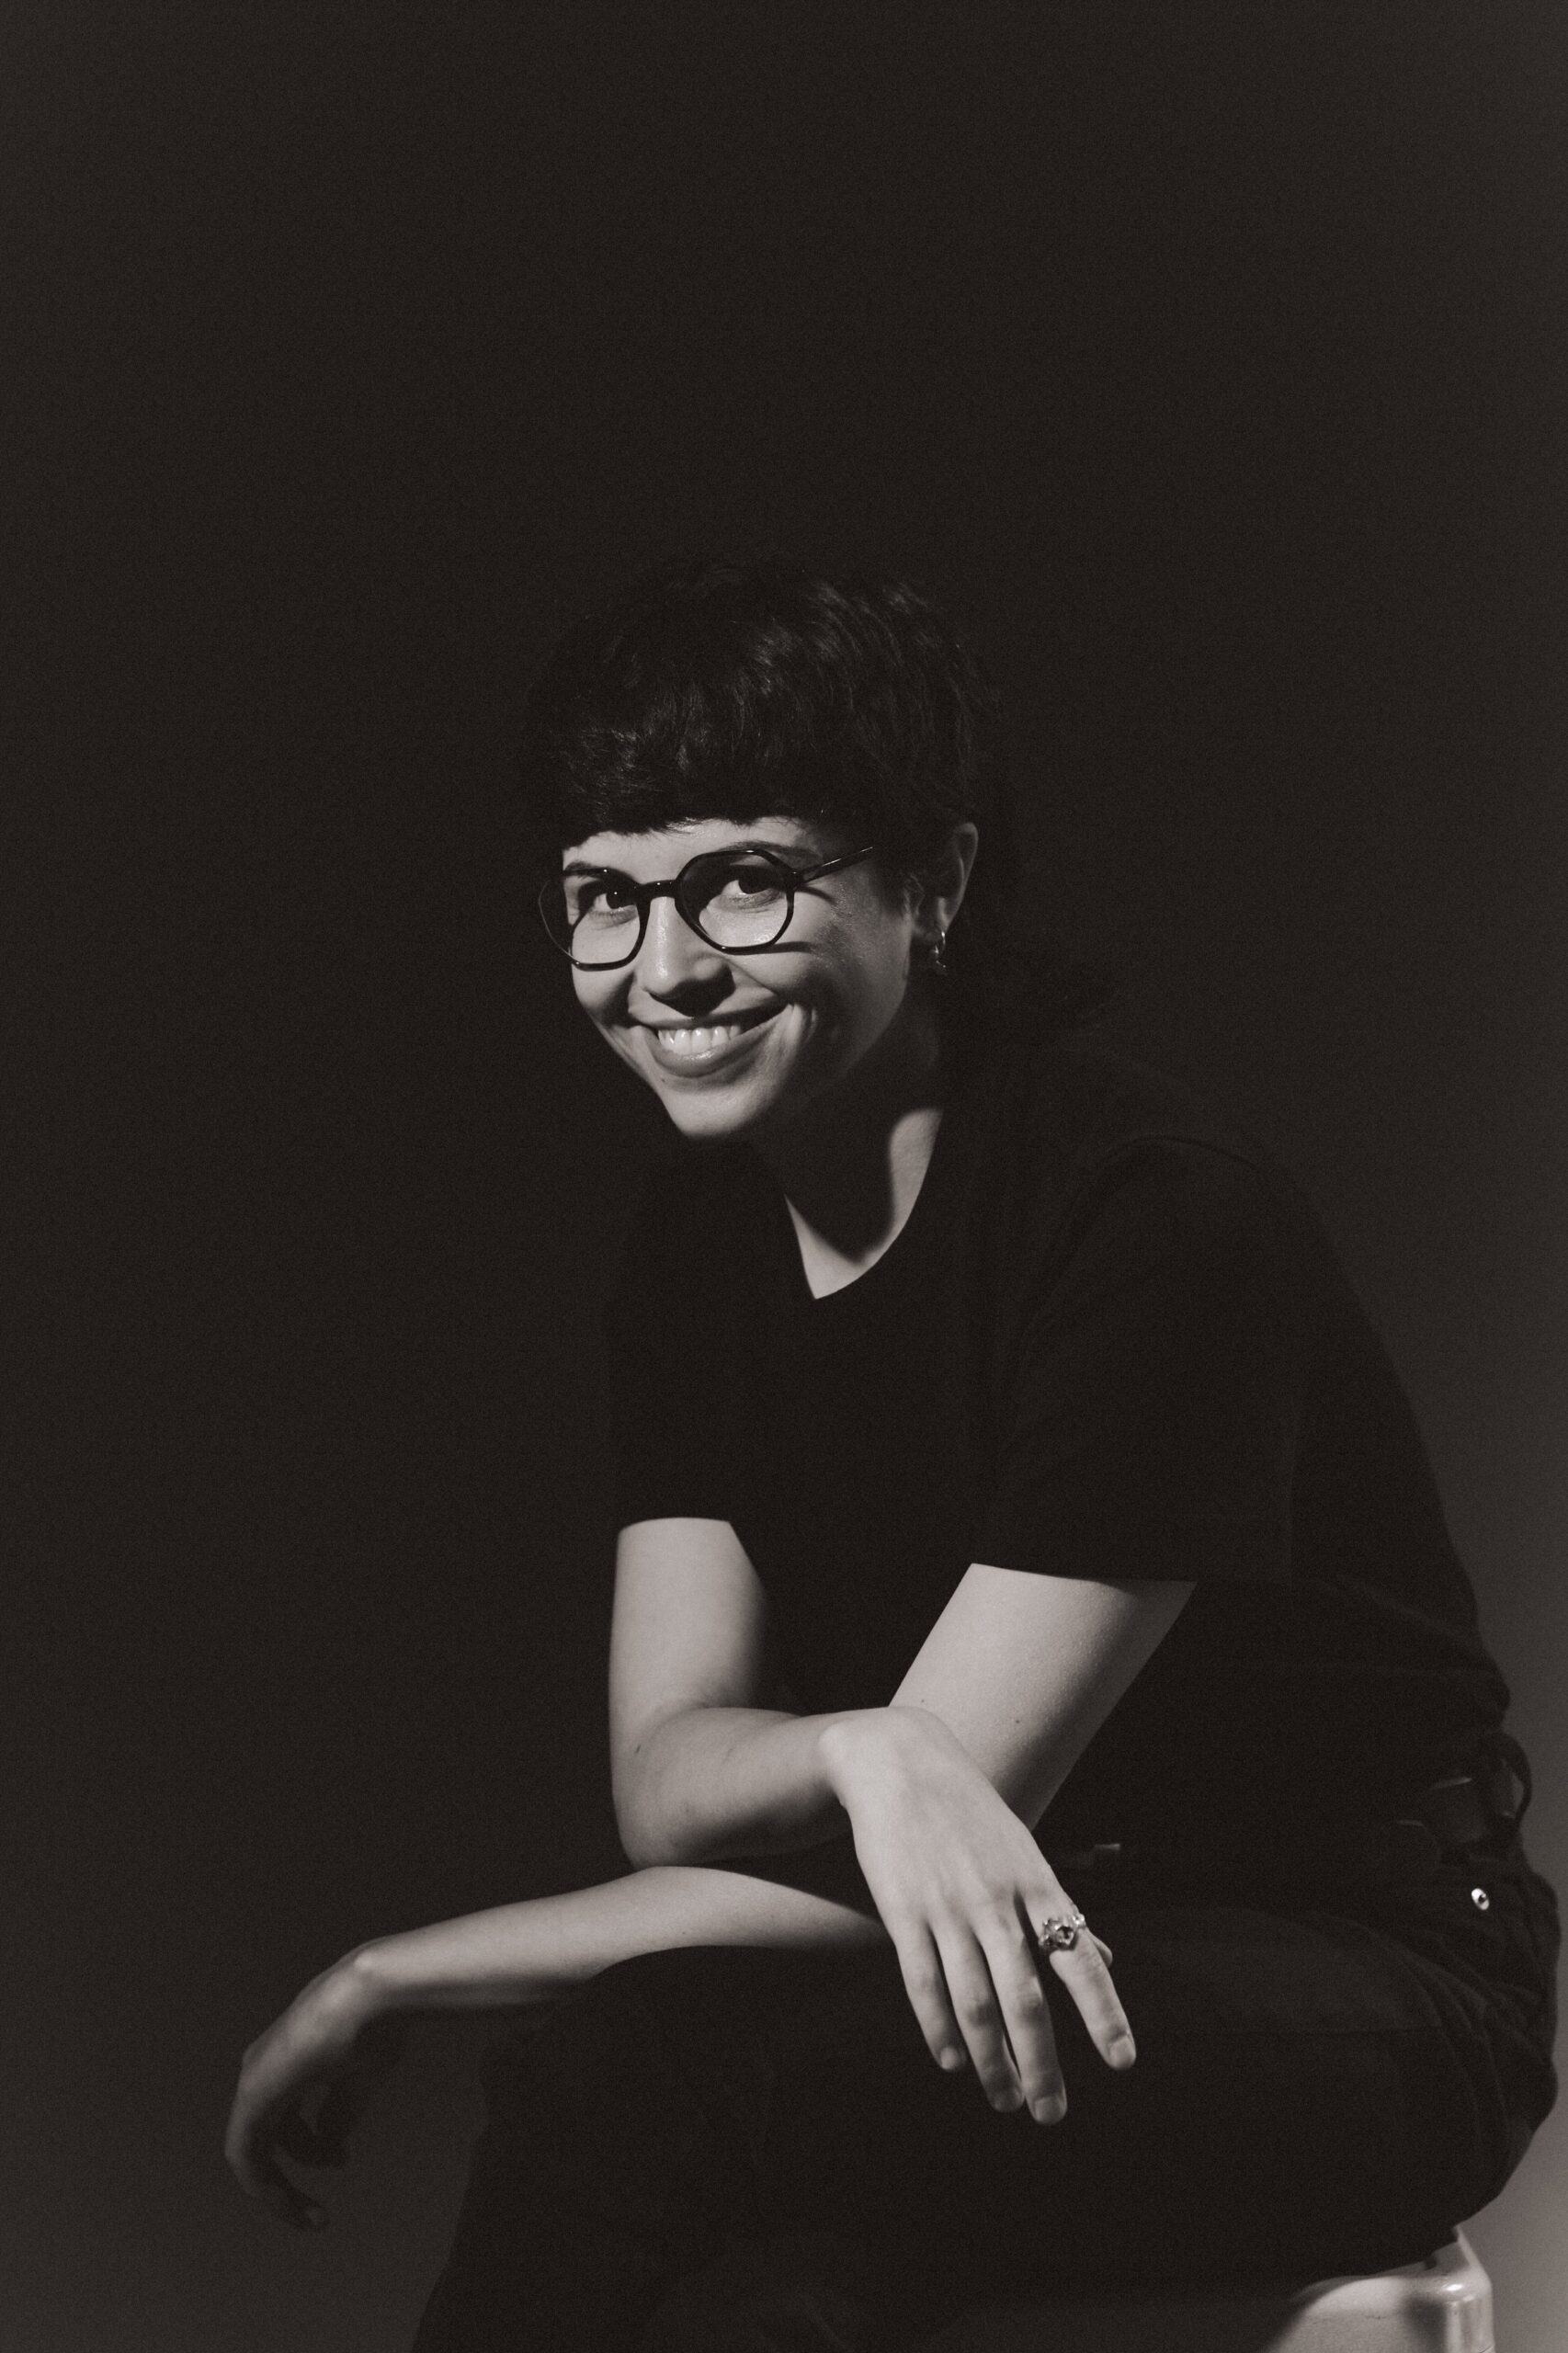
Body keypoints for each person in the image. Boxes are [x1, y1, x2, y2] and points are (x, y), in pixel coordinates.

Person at [226, 562, 1559, 2350]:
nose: (664, 969)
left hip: (1370, 1980)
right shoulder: (697, 1252)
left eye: (744, 879)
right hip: (1027, 1953)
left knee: (643, 2074)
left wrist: (403, 1970)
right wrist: (860, 1748)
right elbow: (673, 1771)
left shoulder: (1146, 1213)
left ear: (932, 882)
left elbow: (934, 1836)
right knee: (757, 2300)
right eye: (602, 898)